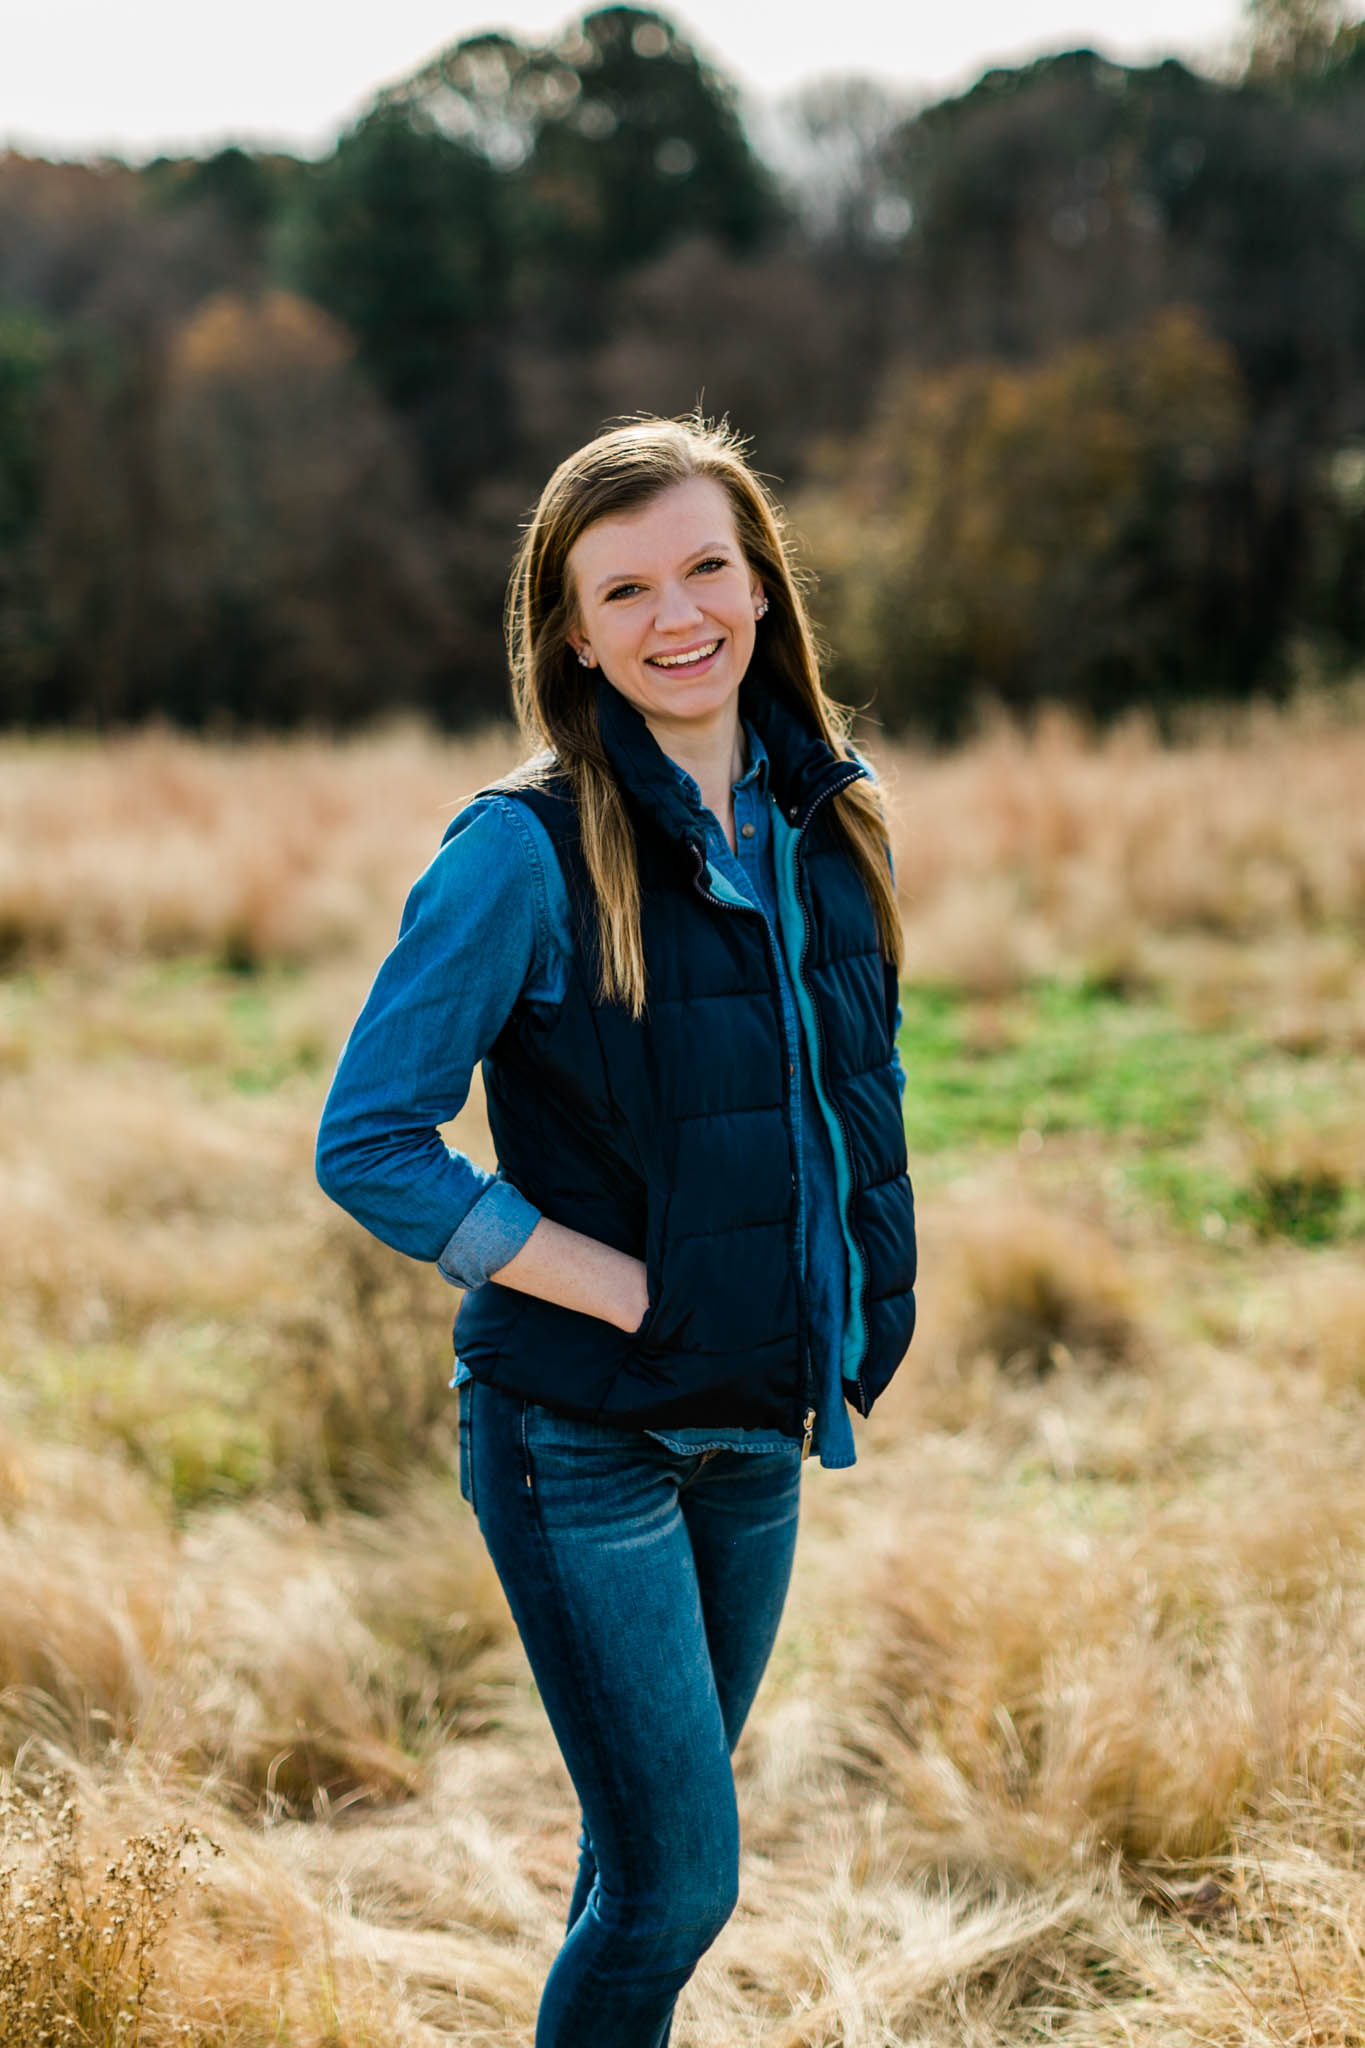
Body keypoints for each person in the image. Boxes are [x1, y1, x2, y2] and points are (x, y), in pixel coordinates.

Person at [315, 414, 917, 2046]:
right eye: (626, 588)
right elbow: (368, 1142)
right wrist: (619, 1286)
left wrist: (842, 1311)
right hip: (581, 1437)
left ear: (761, 586)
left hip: (757, 1424)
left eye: (707, 567)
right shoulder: (519, 851)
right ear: (572, 633)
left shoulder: (821, 818)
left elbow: (846, 1086)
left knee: (635, 1857)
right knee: (677, 1889)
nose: (678, 616)